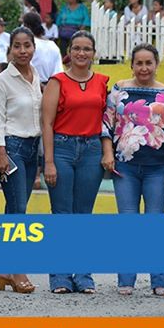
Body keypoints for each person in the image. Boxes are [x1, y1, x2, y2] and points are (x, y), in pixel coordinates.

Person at [102, 43, 164, 297]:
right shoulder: (119, 90)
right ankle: (126, 279)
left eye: (149, 63)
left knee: (154, 222)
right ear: (132, 65)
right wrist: (108, 153)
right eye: (139, 63)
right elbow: (106, 123)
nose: (144, 68)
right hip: (125, 167)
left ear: (156, 64)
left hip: (158, 169)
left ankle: (159, 280)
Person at [41, 31, 110, 294]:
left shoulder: (102, 82)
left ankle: (83, 275)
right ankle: (60, 276)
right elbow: (47, 123)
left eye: (87, 49)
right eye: (77, 48)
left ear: (94, 53)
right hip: (62, 149)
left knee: (83, 216)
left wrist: (106, 151)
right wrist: (48, 161)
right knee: (62, 215)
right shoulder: (57, 81)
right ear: (69, 52)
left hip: (91, 150)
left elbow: (106, 122)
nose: (82, 53)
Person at [0, 27, 42, 294]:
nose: (23, 51)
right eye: (17, 46)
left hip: (33, 148)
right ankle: (18, 271)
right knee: (19, 211)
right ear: (10, 49)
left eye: (27, 46)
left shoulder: (36, 76)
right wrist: (0, 152)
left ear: (34, 47)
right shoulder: (2, 80)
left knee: (13, 209)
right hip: (11, 148)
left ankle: (4, 270)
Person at [22, 12, 63, 84]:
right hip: (51, 85)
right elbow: (59, 72)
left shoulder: (28, 45)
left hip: (31, 85)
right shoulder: (53, 45)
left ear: (26, 26)